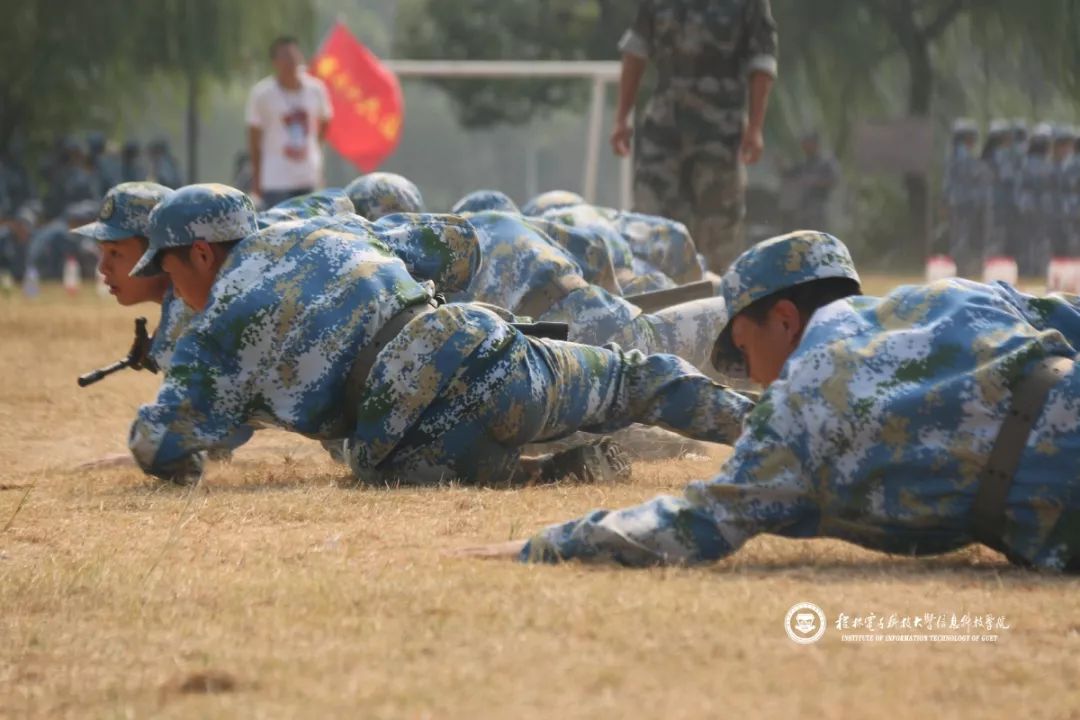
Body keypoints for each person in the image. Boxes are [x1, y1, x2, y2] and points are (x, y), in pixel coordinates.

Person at [459, 230, 1080, 572]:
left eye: (741, 352)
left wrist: (542, 545)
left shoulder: (800, 412)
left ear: (784, 319)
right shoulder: (955, 295)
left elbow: (689, 525)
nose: (751, 378)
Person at [124, 184, 753, 488]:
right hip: (482, 356)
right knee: (631, 379)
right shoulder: (325, 234)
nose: (170, 285)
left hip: (407, 450)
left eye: (169, 268)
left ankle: (546, 473)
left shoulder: (209, 344)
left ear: (202, 253)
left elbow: (159, 444)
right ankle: (764, 429)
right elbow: (457, 244)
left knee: (402, 464)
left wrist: (189, 457)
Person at [611, 0, 778, 273]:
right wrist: (621, 118)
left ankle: (717, 310)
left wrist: (755, 128)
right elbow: (635, 50)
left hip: (720, 137)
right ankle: (650, 308)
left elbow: (762, 61)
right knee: (648, 233)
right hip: (662, 135)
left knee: (718, 238)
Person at [246, 36, 333, 207]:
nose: (291, 61)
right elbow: (254, 139)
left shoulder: (316, 89)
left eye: (294, 55)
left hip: (308, 177)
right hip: (276, 181)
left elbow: (325, 120)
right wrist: (257, 179)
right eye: (284, 56)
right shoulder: (262, 94)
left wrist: (316, 149)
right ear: (275, 62)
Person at [943, 119, 990, 277]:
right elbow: (973, 174)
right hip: (965, 202)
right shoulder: (962, 156)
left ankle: (961, 268)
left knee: (959, 236)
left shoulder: (952, 156)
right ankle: (961, 269)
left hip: (958, 201)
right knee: (962, 238)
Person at [1014, 123, 1054, 276]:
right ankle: (1038, 271)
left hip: (1026, 206)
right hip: (1040, 207)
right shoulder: (1045, 164)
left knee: (1027, 241)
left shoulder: (1025, 162)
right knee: (1040, 240)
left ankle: (1026, 271)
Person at [778, 131, 839, 231]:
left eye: (807, 143)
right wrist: (780, 166)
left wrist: (815, 181)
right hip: (803, 208)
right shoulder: (805, 163)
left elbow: (833, 179)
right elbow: (789, 174)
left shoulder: (826, 162)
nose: (804, 147)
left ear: (815, 144)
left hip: (819, 207)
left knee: (818, 237)